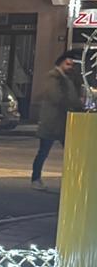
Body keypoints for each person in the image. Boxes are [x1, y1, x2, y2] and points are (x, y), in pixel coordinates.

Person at [31, 51, 86, 187]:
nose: (70, 67)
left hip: (62, 122)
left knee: (70, 152)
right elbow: (57, 97)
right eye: (68, 64)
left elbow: (74, 93)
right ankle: (35, 179)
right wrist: (76, 105)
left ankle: (73, 179)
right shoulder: (53, 77)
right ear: (60, 63)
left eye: (72, 65)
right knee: (44, 151)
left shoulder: (68, 78)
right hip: (52, 122)